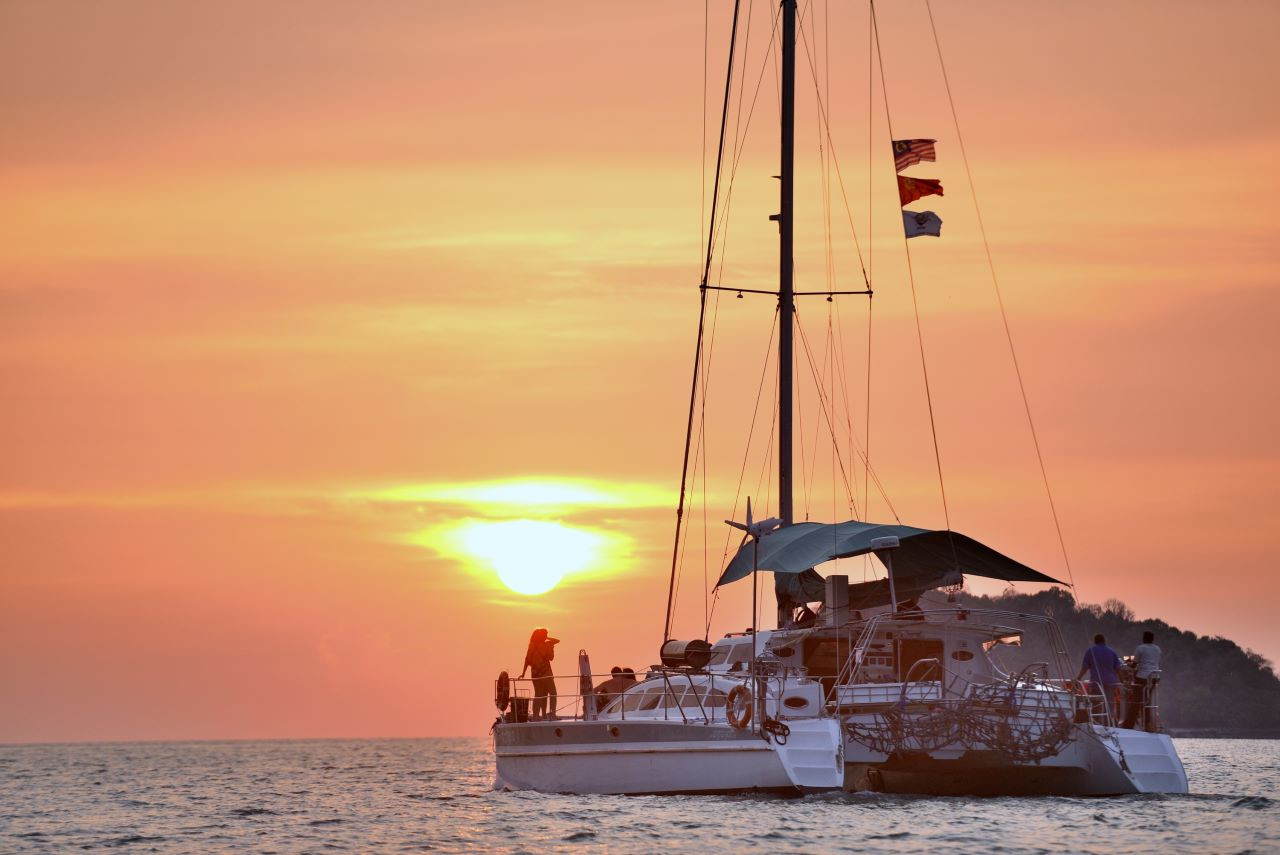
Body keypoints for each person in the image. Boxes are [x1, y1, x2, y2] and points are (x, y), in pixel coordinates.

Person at [1076, 633, 1123, 721]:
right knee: (1109, 703)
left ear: (1095, 641)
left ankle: (1096, 721)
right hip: (1110, 682)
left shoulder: (1090, 651)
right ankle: (1108, 722)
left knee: (1096, 703)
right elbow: (1118, 669)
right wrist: (1122, 681)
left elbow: (1085, 667)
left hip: (1096, 682)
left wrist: (1078, 678)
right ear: (1104, 641)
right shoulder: (1112, 651)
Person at [1123, 631, 1162, 729]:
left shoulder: (1140, 648)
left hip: (1143, 678)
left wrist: (1127, 663)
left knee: (1136, 701)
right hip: (1154, 678)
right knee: (1147, 702)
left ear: (1143, 638)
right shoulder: (1157, 649)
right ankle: (1147, 724)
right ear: (1152, 639)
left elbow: (1134, 664)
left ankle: (1128, 725)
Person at [519, 627, 559, 720]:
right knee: (553, 693)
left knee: (539, 695)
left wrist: (523, 673)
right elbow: (551, 657)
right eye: (545, 634)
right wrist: (549, 642)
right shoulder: (546, 645)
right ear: (543, 636)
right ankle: (552, 715)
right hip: (546, 673)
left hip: (535, 673)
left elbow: (527, 660)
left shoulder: (532, 646)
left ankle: (536, 716)